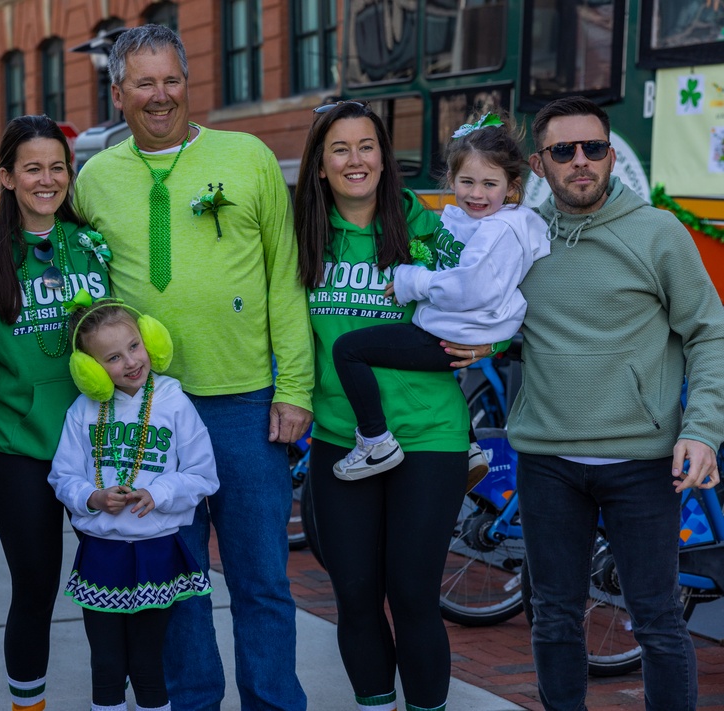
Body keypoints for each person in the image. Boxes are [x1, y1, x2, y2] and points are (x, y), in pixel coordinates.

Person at [73, 24, 314, 711]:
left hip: (244, 403)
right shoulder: (94, 180)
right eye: (143, 82)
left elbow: (286, 279)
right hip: (147, 412)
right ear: (117, 91)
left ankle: (273, 703)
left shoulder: (248, 157)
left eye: (171, 79)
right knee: (175, 582)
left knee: (262, 577)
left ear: (189, 81)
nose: (160, 95)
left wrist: (294, 387)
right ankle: (192, 703)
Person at [509, 95, 724, 711]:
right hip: (547, 460)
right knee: (552, 617)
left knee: (657, 622)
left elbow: (710, 331)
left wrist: (704, 430)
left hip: (641, 462)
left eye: (594, 148)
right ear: (540, 163)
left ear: (609, 155)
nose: (581, 161)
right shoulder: (523, 238)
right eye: (563, 151)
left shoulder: (657, 233)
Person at [293, 99, 494, 711]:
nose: (356, 160)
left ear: (384, 156)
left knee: (412, 596)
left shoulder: (428, 227)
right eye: (340, 149)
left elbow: (487, 295)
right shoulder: (301, 236)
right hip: (340, 438)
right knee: (354, 595)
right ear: (321, 165)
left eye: (367, 146)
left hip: (428, 436)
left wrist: (490, 339)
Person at [0, 114, 111, 711]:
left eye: (58, 167)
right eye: (32, 168)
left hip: (100, 447)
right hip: (18, 452)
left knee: (112, 586)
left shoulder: (91, 242)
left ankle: (112, 699)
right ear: (7, 175)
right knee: (36, 589)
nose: (47, 179)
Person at [330, 111, 549, 485]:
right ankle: (467, 446)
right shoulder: (474, 219)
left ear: (512, 186)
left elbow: (468, 288)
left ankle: (375, 441)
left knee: (349, 349)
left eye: (489, 184)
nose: (476, 194)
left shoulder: (500, 230)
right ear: (451, 179)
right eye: (466, 182)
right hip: (454, 330)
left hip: (449, 336)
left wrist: (410, 280)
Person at [49, 297, 219, 711]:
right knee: (106, 666)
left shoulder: (175, 403)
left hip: (156, 552)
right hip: (101, 555)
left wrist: (157, 493)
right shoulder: (83, 410)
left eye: (134, 346)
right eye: (111, 357)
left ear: (149, 343)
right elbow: (62, 476)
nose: (129, 362)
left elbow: (203, 474)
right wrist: (91, 497)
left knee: (147, 665)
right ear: (89, 369)